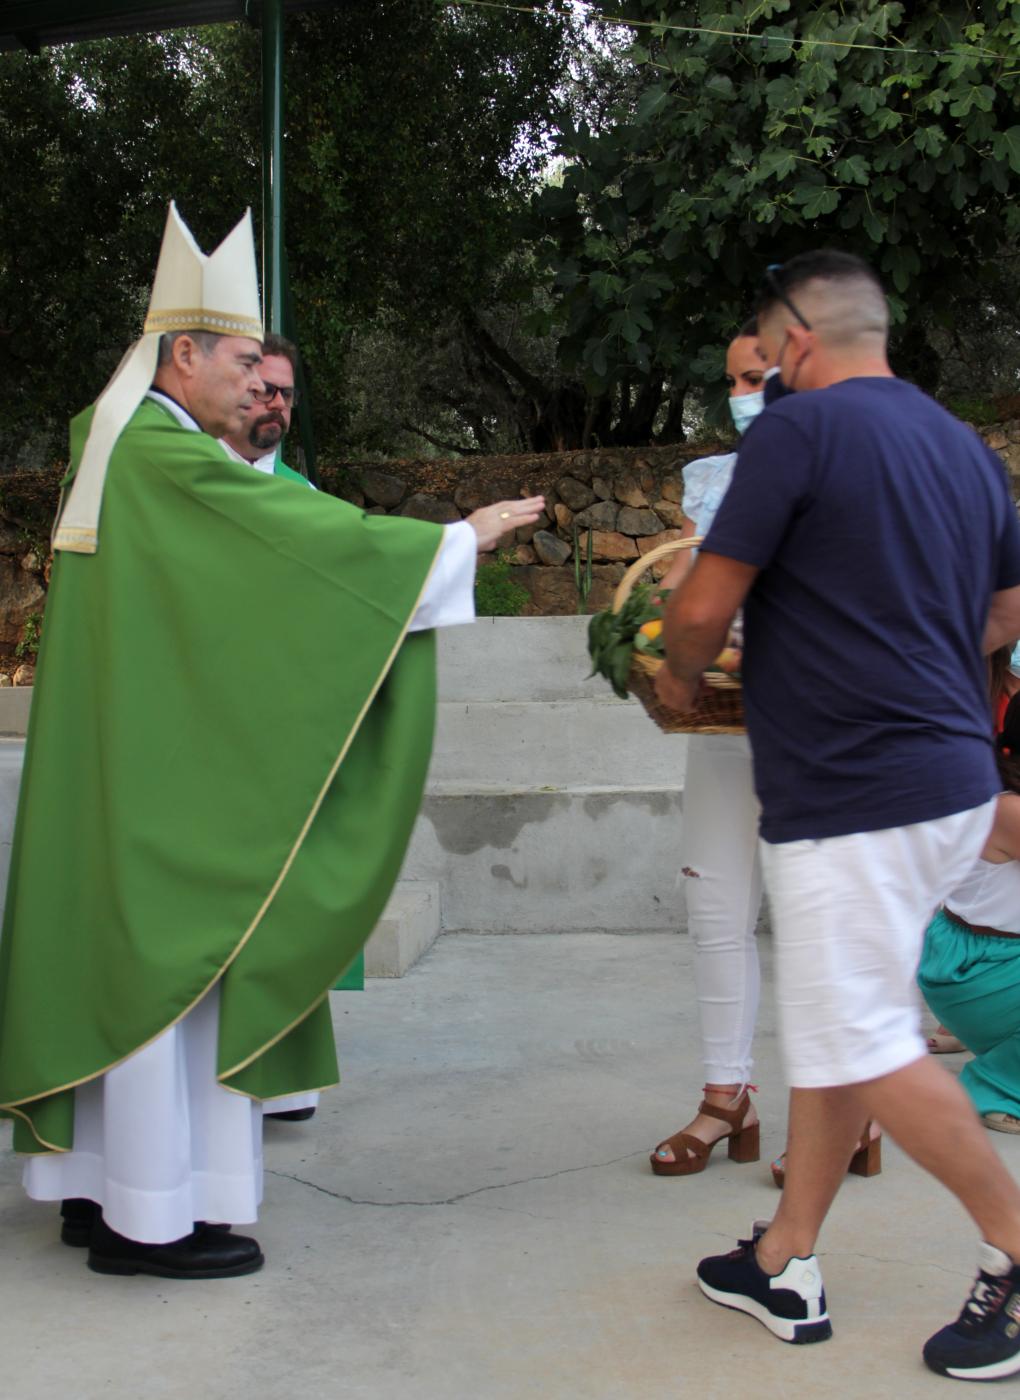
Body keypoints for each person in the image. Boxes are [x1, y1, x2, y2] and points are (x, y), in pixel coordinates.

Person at [0, 202, 544, 1281]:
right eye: (245, 358)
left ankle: (96, 1185)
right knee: (176, 961)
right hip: (166, 783)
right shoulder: (159, 452)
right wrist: (451, 542)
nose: (258, 382)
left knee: (128, 959)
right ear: (185, 350)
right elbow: (292, 551)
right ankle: (147, 1218)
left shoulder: (115, 438)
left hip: (133, 760)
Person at [656, 249, 1020, 1380]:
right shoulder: (965, 448)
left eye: (766, 352)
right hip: (951, 781)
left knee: (861, 1033)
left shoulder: (796, 434)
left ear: (799, 343)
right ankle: (784, 1255)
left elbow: (706, 603)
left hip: (853, 796)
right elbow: (1006, 609)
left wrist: (677, 673)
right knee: (840, 1027)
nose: (760, 372)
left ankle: (1015, 1248)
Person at [649, 323, 767, 1176]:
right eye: (734, 379)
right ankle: (727, 1098)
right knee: (715, 913)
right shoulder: (714, 478)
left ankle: (856, 1116)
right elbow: (692, 586)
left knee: (817, 923)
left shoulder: (848, 465)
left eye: (759, 375)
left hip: (816, 725)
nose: (746, 392)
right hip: (724, 721)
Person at [221, 331, 320, 1125]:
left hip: (283, 736)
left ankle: (280, 1074)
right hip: (212, 733)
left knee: (283, 916)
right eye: (260, 388)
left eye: (284, 392)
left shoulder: (306, 500)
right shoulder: (191, 484)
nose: (272, 403)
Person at [918, 693, 1020, 1134]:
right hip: (982, 975)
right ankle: (999, 1086)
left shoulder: (989, 787)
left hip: (971, 963)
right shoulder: (1011, 810)